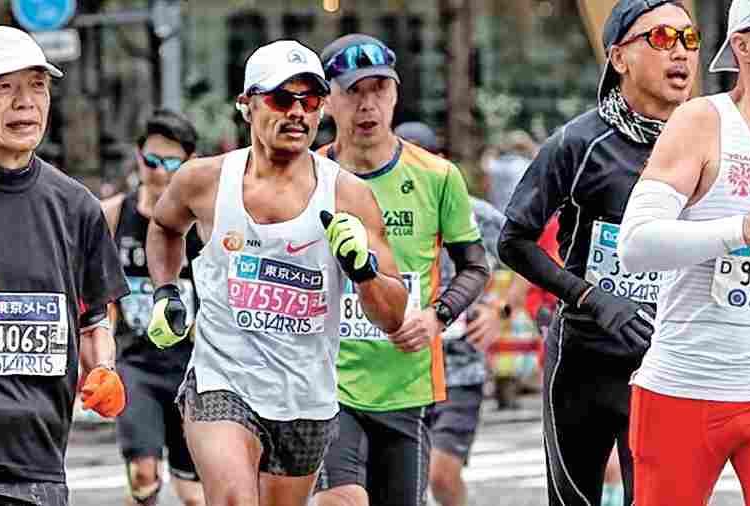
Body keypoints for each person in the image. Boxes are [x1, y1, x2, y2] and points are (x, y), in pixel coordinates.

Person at [144, 39, 408, 506]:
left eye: (310, 101)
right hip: (221, 379)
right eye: (282, 99)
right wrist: (166, 291)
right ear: (246, 106)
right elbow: (164, 226)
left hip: (305, 395)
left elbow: (392, 316)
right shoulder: (203, 180)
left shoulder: (347, 195)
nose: (298, 113)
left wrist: (362, 270)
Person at [617, 0, 750, 503]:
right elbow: (636, 244)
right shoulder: (702, 122)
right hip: (684, 391)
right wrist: (744, 230)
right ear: (743, 45)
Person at [496, 1, 700, 504]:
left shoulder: (711, 139)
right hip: (584, 362)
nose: (679, 52)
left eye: (689, 40)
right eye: (659, 38)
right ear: (619, 58)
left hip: (670, 363)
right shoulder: (579, 142)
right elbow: (514, 240)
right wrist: (591, 297)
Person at [0, 26, 129, 505]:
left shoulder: (77, 206)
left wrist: (104, 368)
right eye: (3, 87)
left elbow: (93, 318)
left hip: (38, 459)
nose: (25, 102)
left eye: (37, 85)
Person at [314, 34, 490, 506]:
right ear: (327, 100)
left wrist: (437, 317)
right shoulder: (308, 175)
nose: (368, 105)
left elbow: (475, 265)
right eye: (353, 91)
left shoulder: (437, 176)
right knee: (343, 501)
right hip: (326, 383)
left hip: (407, 384)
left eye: (379, 90)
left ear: (395, 94)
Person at [395, 121, 506, 506]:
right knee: (406, 482)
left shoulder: (475, 213)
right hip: (398, 368)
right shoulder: (374, 207)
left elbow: (523, 257)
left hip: (459, 366)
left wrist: (497, 310)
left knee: (442, 475)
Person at [101, 109, 204, 506]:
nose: (160, 173)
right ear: (138, 156)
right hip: (136, 365)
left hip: (192, 367)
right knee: (144, 478)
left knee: (195, 494)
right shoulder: (112, 215)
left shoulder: (202, 223)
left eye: (172, 163)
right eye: (152, 161)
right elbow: (84, 287)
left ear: (190, 163)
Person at [483, 130, 539, 212]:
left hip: (498, 213)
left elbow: (485, 161)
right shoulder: (526, 166)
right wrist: (530, 144)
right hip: (520, 216)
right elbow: (541, 157)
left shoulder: (496, 166)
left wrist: (497, 147)